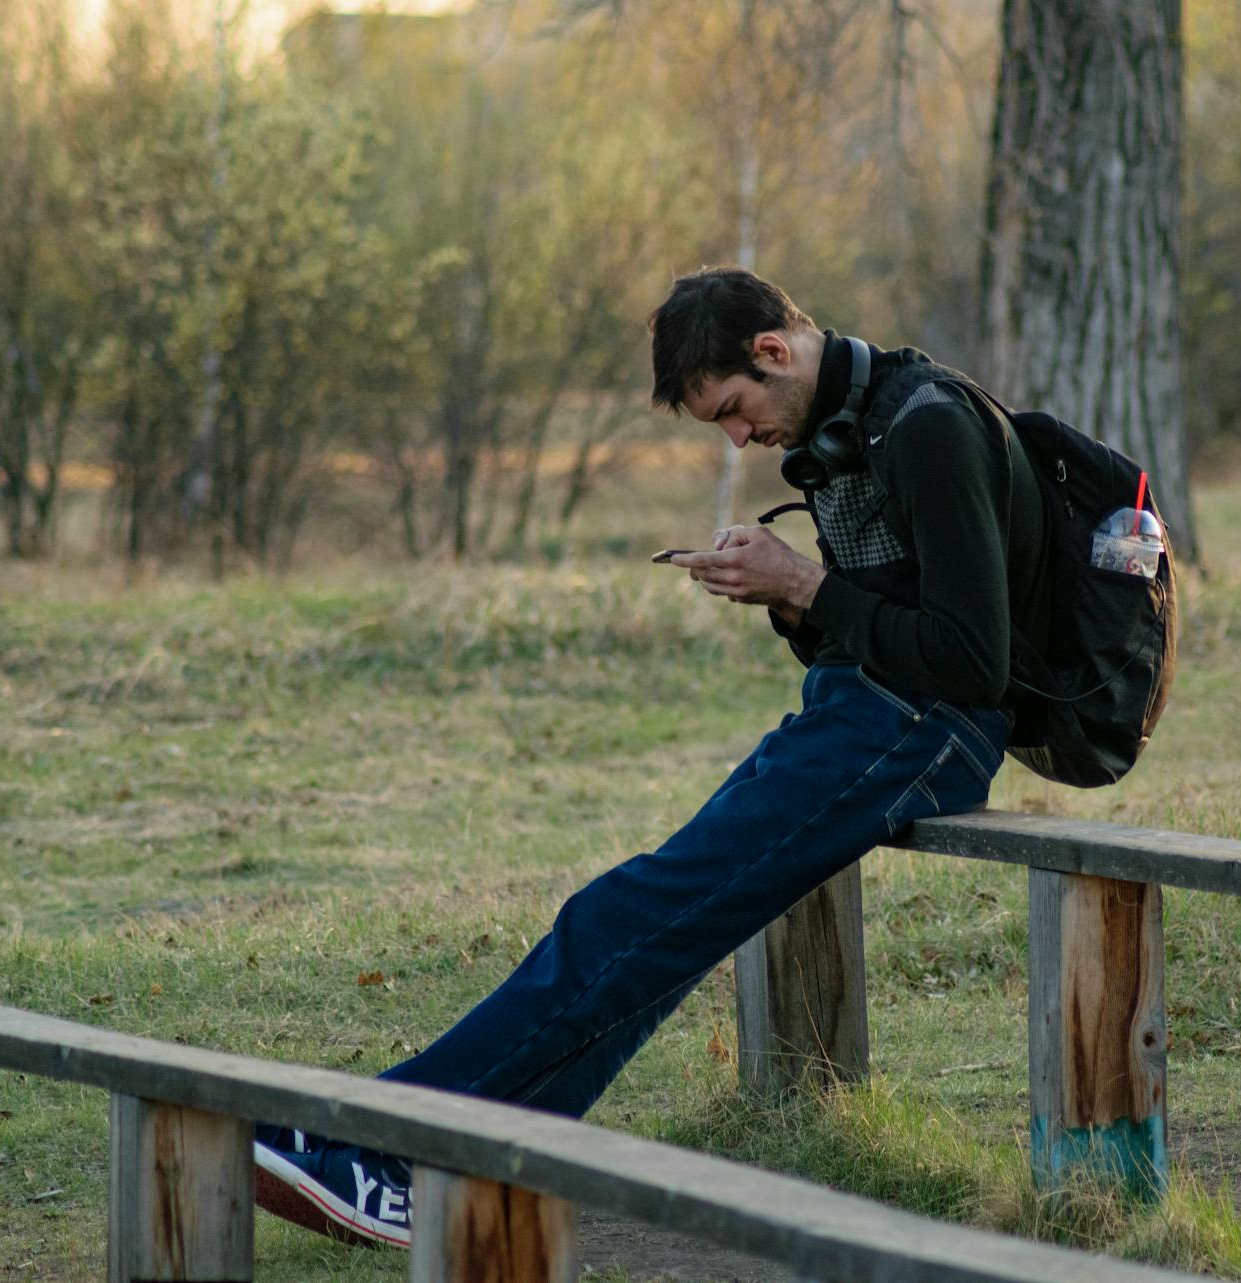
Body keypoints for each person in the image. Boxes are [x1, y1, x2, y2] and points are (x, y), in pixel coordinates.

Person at [251, 266, 1044, 1247]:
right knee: (655, 938)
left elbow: (973, 661)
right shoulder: (850, 426)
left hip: (922, 734)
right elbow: (871, 625)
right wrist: (785, 596)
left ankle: (373, 1136)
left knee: (624, 916)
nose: (735, 436)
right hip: (857, 712)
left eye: (732, 409)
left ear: (772, 350)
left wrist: (801, 579)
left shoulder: (925, 422)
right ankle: (469, 1172)